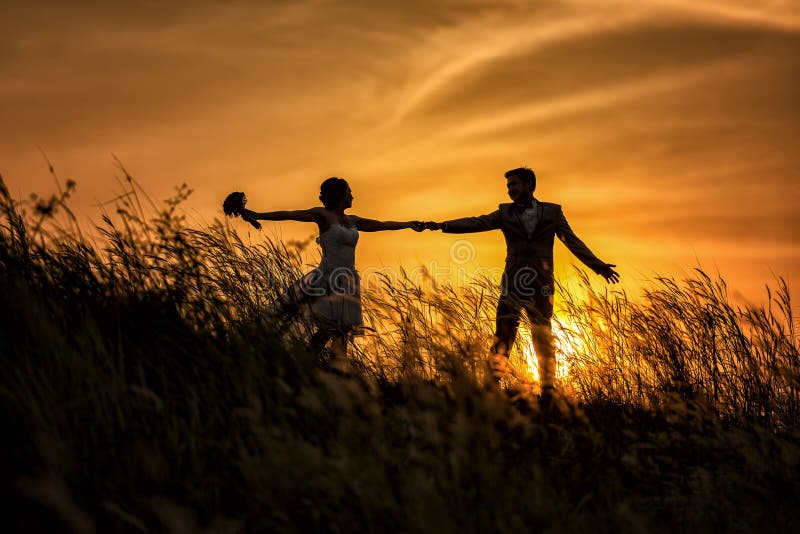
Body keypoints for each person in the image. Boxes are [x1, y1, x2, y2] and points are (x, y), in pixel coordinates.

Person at [426, 167, 619, 396]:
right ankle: (491, 387)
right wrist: (442, 226)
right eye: (508, 186)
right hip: (513, 284)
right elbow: (477, 222)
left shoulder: (553, 213)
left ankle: (548, 389)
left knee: (543, 338)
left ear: (529, 185)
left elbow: (573, 242)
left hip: (541, 285)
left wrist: (598, 266)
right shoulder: (504, 212)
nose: (509, 190)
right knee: (504, 336)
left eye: (514, 184)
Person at [224, 177, 424, 358]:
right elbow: (290, 214)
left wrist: (409, 224)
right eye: (349, 192)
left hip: (347, 280)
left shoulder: (353, 220)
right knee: (329, 327)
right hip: (327, 278)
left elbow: (383, 224)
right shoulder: (322, 215)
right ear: (339, 195)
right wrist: (258, 215)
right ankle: (309, 362)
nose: (352, 195)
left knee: (342, 330)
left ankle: (334, 368)